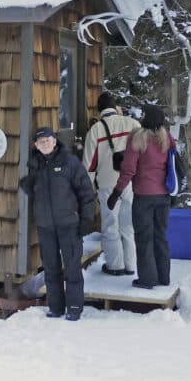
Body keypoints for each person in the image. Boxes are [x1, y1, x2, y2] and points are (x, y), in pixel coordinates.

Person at [20, 126, 95, 321]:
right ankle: (56, 307)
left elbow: (86, 192)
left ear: (54, 141)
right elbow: (34, 189)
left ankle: (74, 308)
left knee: (72, 267)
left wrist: (87, 219)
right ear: (36, 146)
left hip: (68, 224)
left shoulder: (69, 162)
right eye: (40, 142)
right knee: (51, 268)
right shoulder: (35, 164)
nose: (45, 144)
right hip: (46, 226)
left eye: (48, 140)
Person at [105, 104, 174, 289]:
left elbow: (128, 170)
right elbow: (173, 165)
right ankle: (163, 277)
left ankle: (147, 279)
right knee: (160, 236)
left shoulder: (137, 139)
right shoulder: (167, 139)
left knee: (144, 238)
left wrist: (116, 193)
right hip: (164, 196)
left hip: (143, 196)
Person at [82, 92, 140, 276]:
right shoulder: (132, 124)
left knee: (110, 225)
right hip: (131, 181)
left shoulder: (96, 130)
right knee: (128, 225)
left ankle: (115, 266)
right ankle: (131, 265)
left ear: (99, 110)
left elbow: (89, 164)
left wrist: (86, 189)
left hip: (107, 183)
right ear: (116, 108)